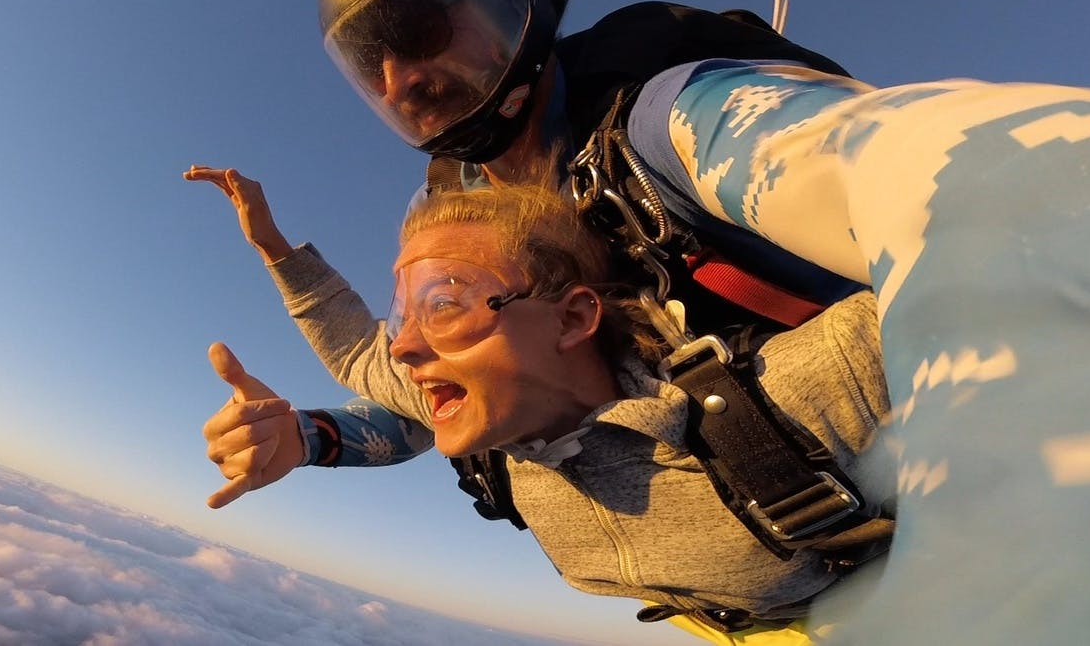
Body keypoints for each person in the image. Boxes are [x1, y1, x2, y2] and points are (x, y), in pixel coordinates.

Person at [203, 0, 1090, 645]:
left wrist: (1047, 187)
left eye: (422, 28)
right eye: (376, 65)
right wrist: (314, 437)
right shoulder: (456, 218)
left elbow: (903, 167)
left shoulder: (669, 119)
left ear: (504, 2)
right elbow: (432, 395)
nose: (402, 76)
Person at [194, 167, 890, 643]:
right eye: (405, 314)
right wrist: (272, 247)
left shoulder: (784, 399)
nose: (404, 346)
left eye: (445, 305)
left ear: (571, 318)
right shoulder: (501, 414)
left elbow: (961, 306)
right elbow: (356, 352)